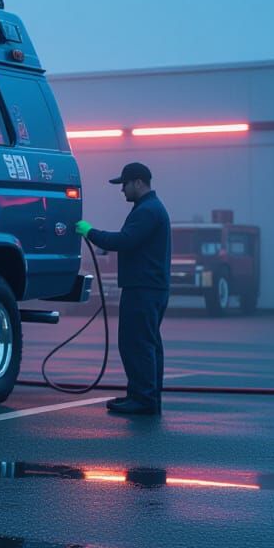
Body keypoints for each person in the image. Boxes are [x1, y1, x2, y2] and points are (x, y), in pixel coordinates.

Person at [76, 162, 171, 416]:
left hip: (143, 288)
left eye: (125, 184)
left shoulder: (147, 210)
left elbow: (126, 240)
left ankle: (143, 399)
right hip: (151, 288)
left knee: (135, 343)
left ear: (138, 182)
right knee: (147, 343)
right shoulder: (150, 209)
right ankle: (144, 395)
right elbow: (133, 240)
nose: (122, 191)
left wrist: (89, 231)